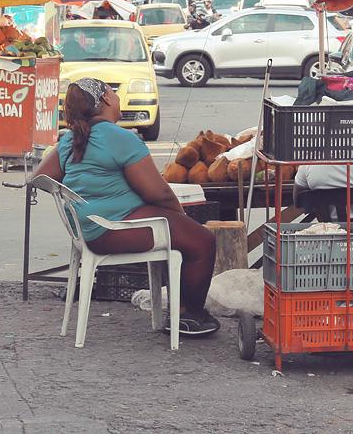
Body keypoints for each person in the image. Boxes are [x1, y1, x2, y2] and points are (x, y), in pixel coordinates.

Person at [30, 78, 220, 336]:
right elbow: (159, 193)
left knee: (183, 234)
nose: (117, 97)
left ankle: (183, 310)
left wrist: (88, 189)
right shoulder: (119, 137)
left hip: (86, 229)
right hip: (112, 227)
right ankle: (192, 316)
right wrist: (180, 214)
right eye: (114, 92)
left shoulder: (71, 139)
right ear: (106, 99)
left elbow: (40, 179)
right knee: (202, 241)